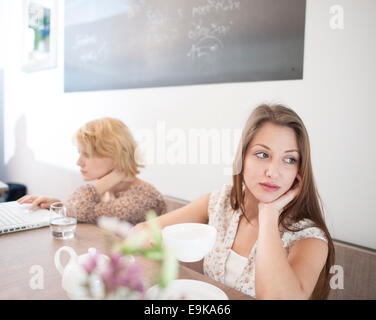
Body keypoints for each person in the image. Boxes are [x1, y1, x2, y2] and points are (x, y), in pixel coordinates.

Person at [134, 103, 335, 300]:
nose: (273, 172)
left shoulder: (309, 238)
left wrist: (268, 213)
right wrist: (156, 242)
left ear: (299, 171)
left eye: (289, 159)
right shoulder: (222, 202)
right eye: (263, 155)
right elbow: (142, 230)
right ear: (242, 158)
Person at [17, 117, 167, 225]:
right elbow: (84, 211)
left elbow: (78, 209)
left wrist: (66, 208)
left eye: (87, 155)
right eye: (79, 153)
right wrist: (57, 205)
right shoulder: (109, 190)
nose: (79, 162)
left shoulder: (143, 199)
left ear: (115, 156)